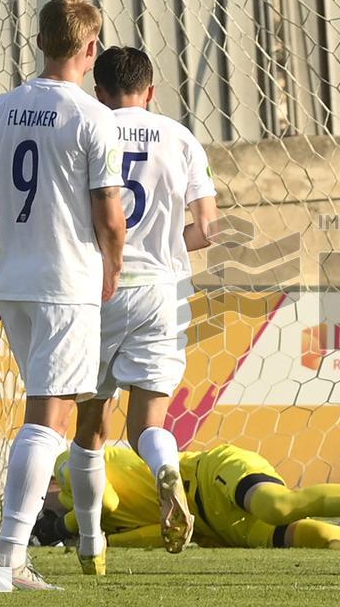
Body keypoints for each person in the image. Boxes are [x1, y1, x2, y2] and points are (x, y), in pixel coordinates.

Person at [0, 0, 125, 590]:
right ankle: (8, 556)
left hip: (15, 282)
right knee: (49, 420)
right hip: (64, 284)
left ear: (42, 41)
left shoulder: (1, 108)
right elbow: (109, 211)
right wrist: (114, 267)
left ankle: (13, 552)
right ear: (90, 49)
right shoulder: (91, 116)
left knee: (50, 412)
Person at [68, 46, 218, 574]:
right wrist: (166, 245)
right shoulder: (179, 137)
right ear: (151, 91)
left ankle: (91, 544)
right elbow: (208, 228)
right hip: (164, 290)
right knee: (147, 423)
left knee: (90, 421)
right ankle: (166, 468)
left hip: (100, 287)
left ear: (99, 92)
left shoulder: (91, 129)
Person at [34, 444, 340, 551]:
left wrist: (65, 527)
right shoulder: (95, 528)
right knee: (332, 540)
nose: (45, 504)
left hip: (210, 474)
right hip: (222, 529)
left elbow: (103, 500)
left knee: (277, 505)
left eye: (42, 500)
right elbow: (161, 536)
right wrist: (93, 538)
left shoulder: (67, 463)